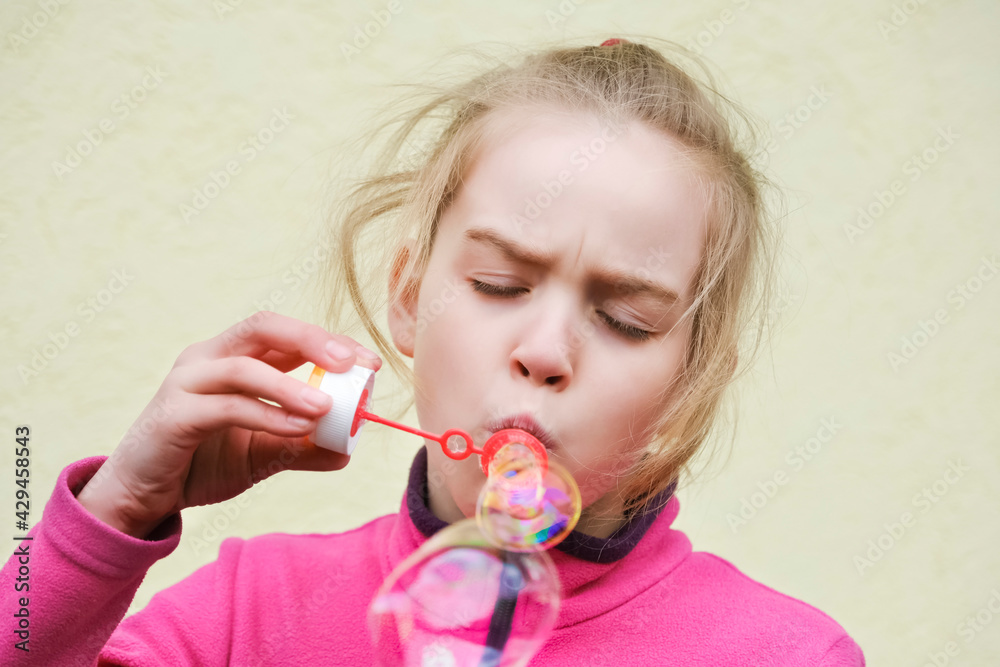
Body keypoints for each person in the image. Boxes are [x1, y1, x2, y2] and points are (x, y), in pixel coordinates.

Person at [0, 37, 866, 665]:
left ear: (692, 377)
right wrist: (113, 517)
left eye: (627, 320)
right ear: (411, 297)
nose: (544, 351)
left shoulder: (787, 653)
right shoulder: (244, 613)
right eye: (498, 283)